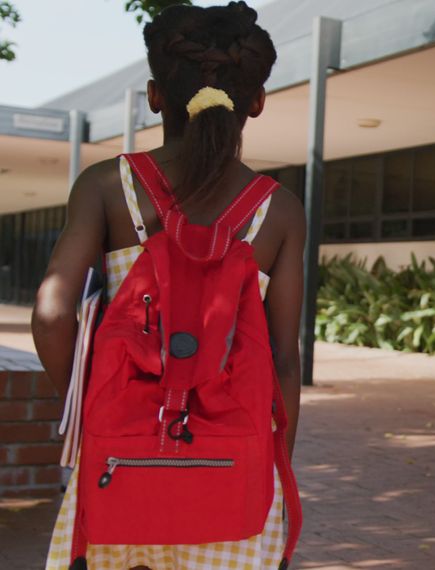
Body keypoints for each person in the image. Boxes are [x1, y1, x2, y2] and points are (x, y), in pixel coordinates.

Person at [32, 3, 306, 568]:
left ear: (156, 95)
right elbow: (283, 360)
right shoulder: (277, 211)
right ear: (255, 102)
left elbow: (54, 314)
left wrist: (90, 410)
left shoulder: (107, 187)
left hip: (122, 468)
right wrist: (270, 465)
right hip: (233, 477)